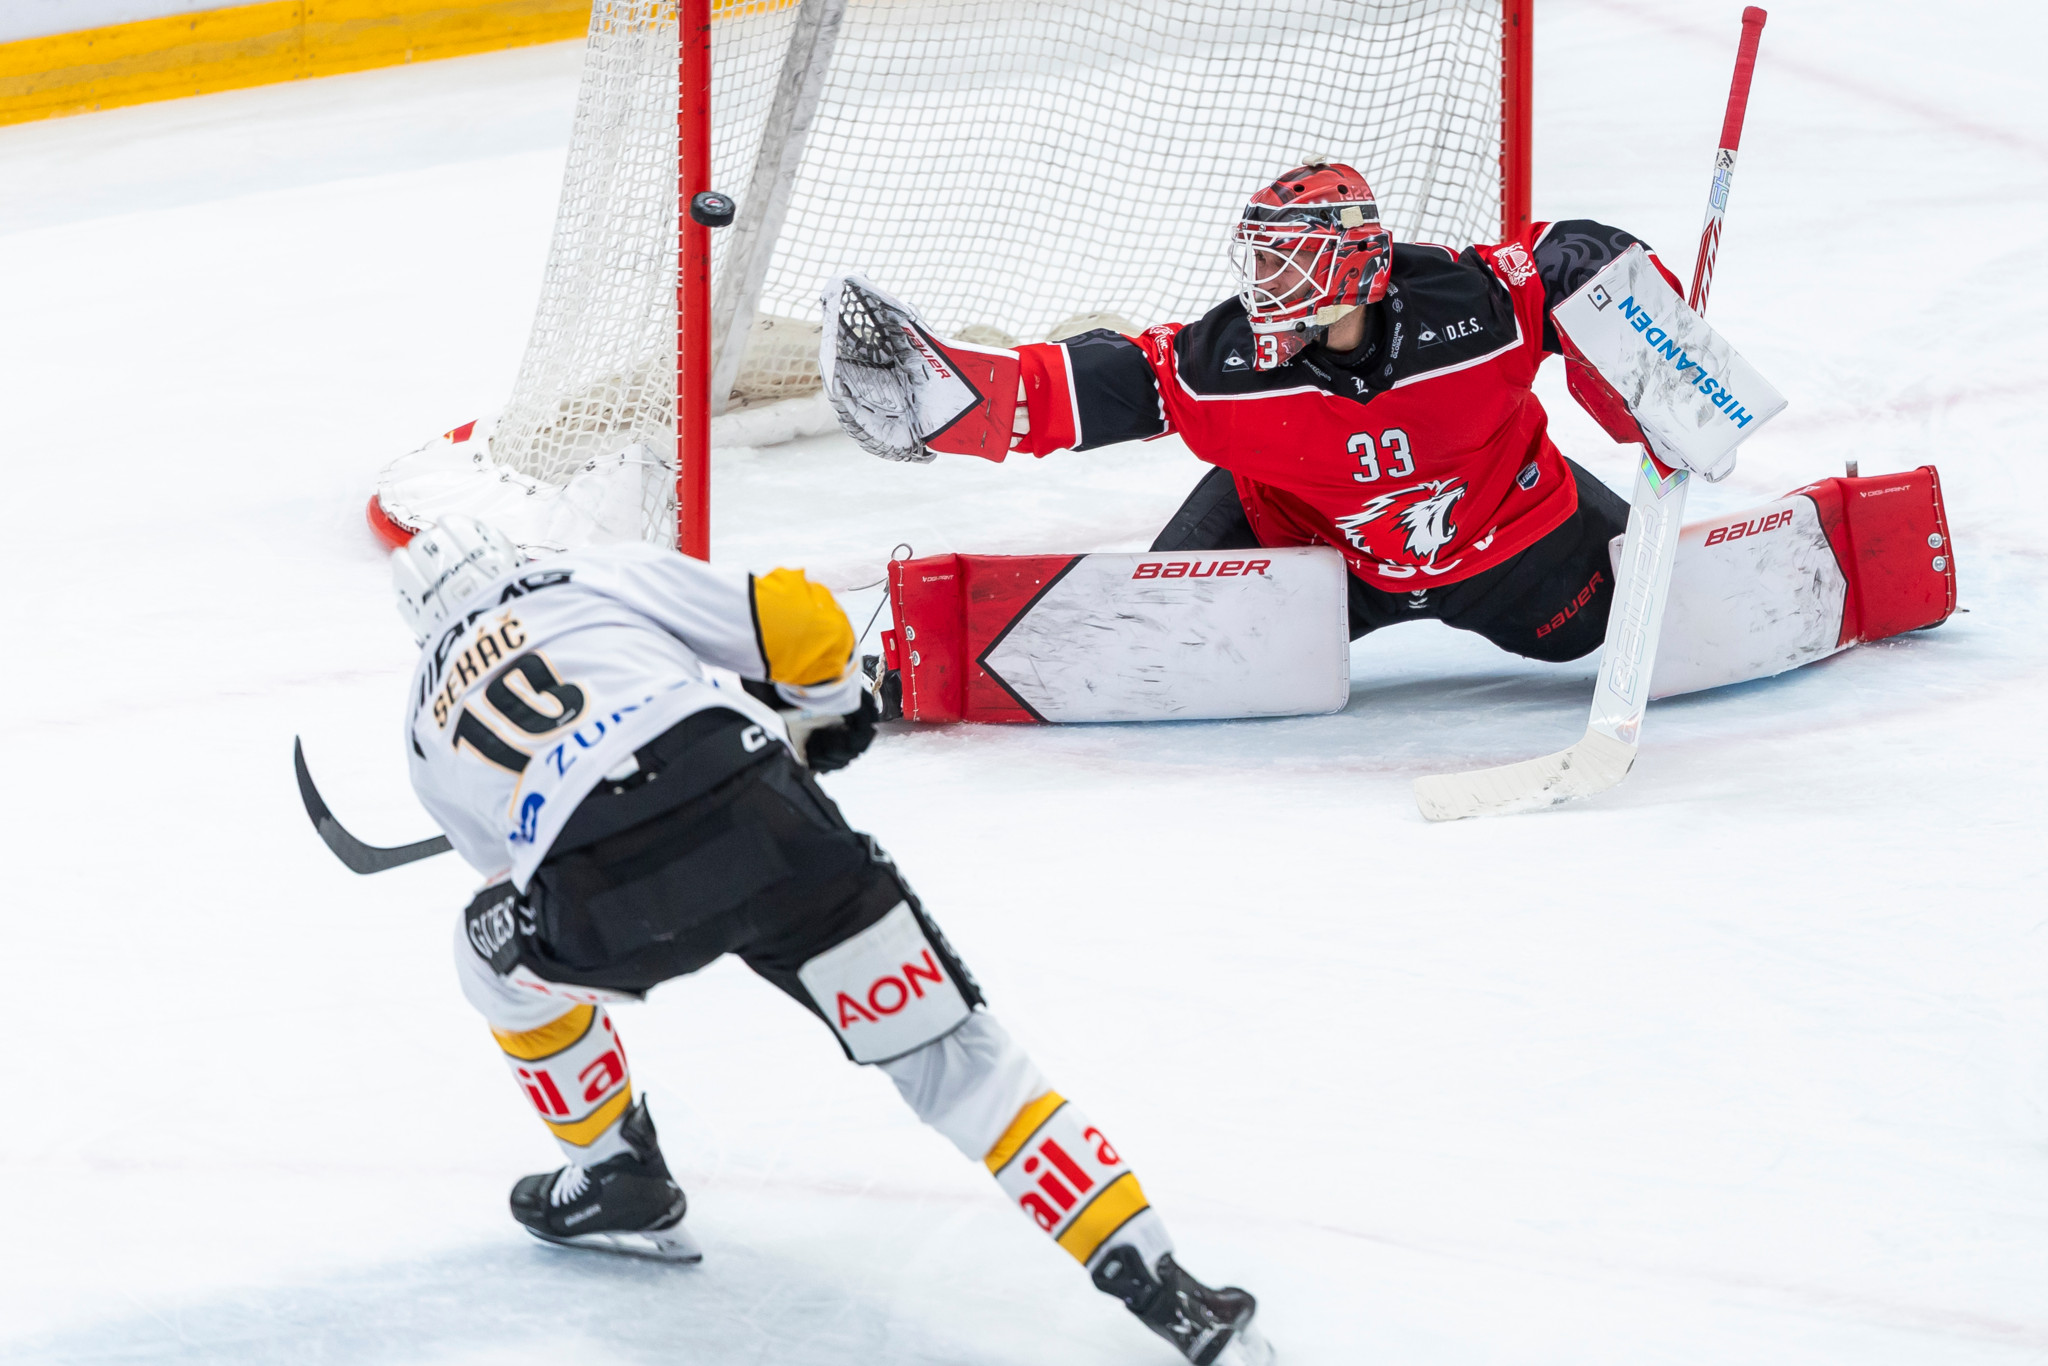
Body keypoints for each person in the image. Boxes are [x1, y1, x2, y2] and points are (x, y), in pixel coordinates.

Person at [391, 516, 1271, 1366]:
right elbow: (800, 621)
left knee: (487, 954)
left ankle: (613, 1171)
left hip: (606, 901)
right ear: (510, 555)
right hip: (767, 824)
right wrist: (828, 709)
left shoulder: (423, 719)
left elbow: (507, 871)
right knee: (961, 1066)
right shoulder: (591, 574)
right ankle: (1167, 1290)